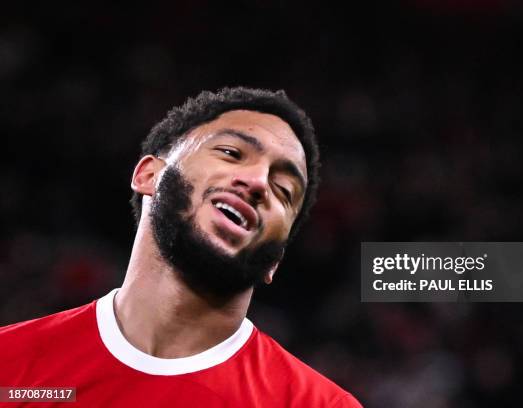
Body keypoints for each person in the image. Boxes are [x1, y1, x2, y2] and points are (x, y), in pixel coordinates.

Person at [0, 87, 362, 407]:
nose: (257, 182)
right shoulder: (10, 367)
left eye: (283, 190)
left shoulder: (318, 404)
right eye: (231, 152)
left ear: (275, 261)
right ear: (148, 175)